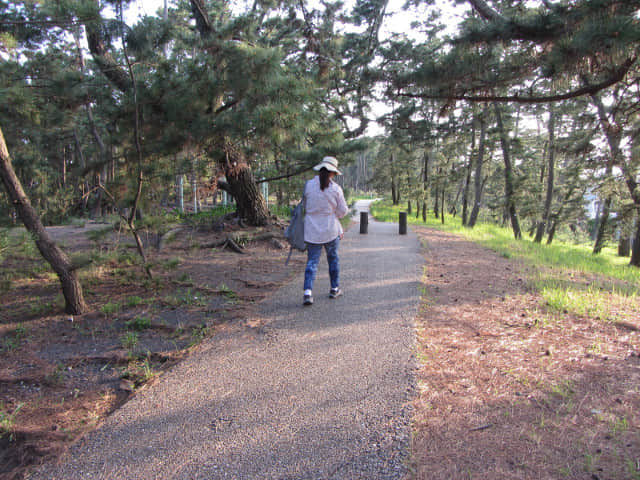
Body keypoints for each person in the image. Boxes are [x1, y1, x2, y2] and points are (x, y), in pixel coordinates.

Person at [302, 156, 348, 306]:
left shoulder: (309, 185)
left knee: (312, 261)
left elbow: (304, 205)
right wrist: (333, 214)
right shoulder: (336, 189)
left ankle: (307, 292)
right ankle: (334, 288)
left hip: (312, 230)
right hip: (330, 230)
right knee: (333, 259)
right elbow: (343, 211)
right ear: (333, 173)